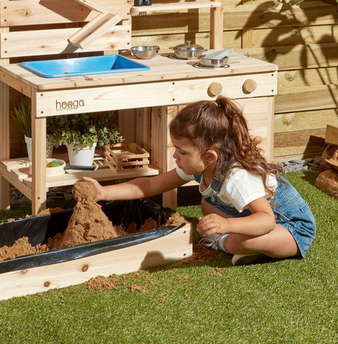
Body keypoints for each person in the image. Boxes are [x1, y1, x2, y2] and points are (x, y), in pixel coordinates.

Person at [84, 96, 316, 265]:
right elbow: (151, 185)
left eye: (181, 152)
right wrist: (105, 192)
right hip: (255, 216)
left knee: (240, 242)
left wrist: (226, 227)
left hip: (290, 227)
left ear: (209, 156)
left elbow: (266, 221)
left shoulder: (237, 177)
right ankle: (241, 239)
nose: (175, 156)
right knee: (207, 205)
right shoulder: (205, 166)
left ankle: (226, 243)